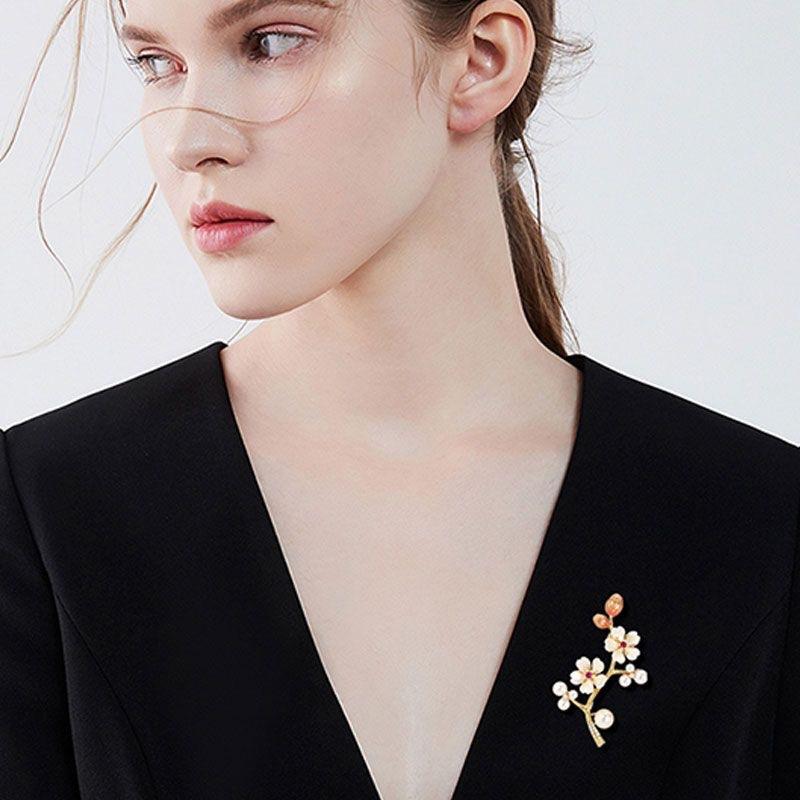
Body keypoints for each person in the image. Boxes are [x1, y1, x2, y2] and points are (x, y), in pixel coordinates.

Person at [0, 1, 797, 798]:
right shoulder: (46, 514)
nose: (187, 140)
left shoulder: (755, 524)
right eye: (156, 64)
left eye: (270, 43)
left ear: (482, 59)